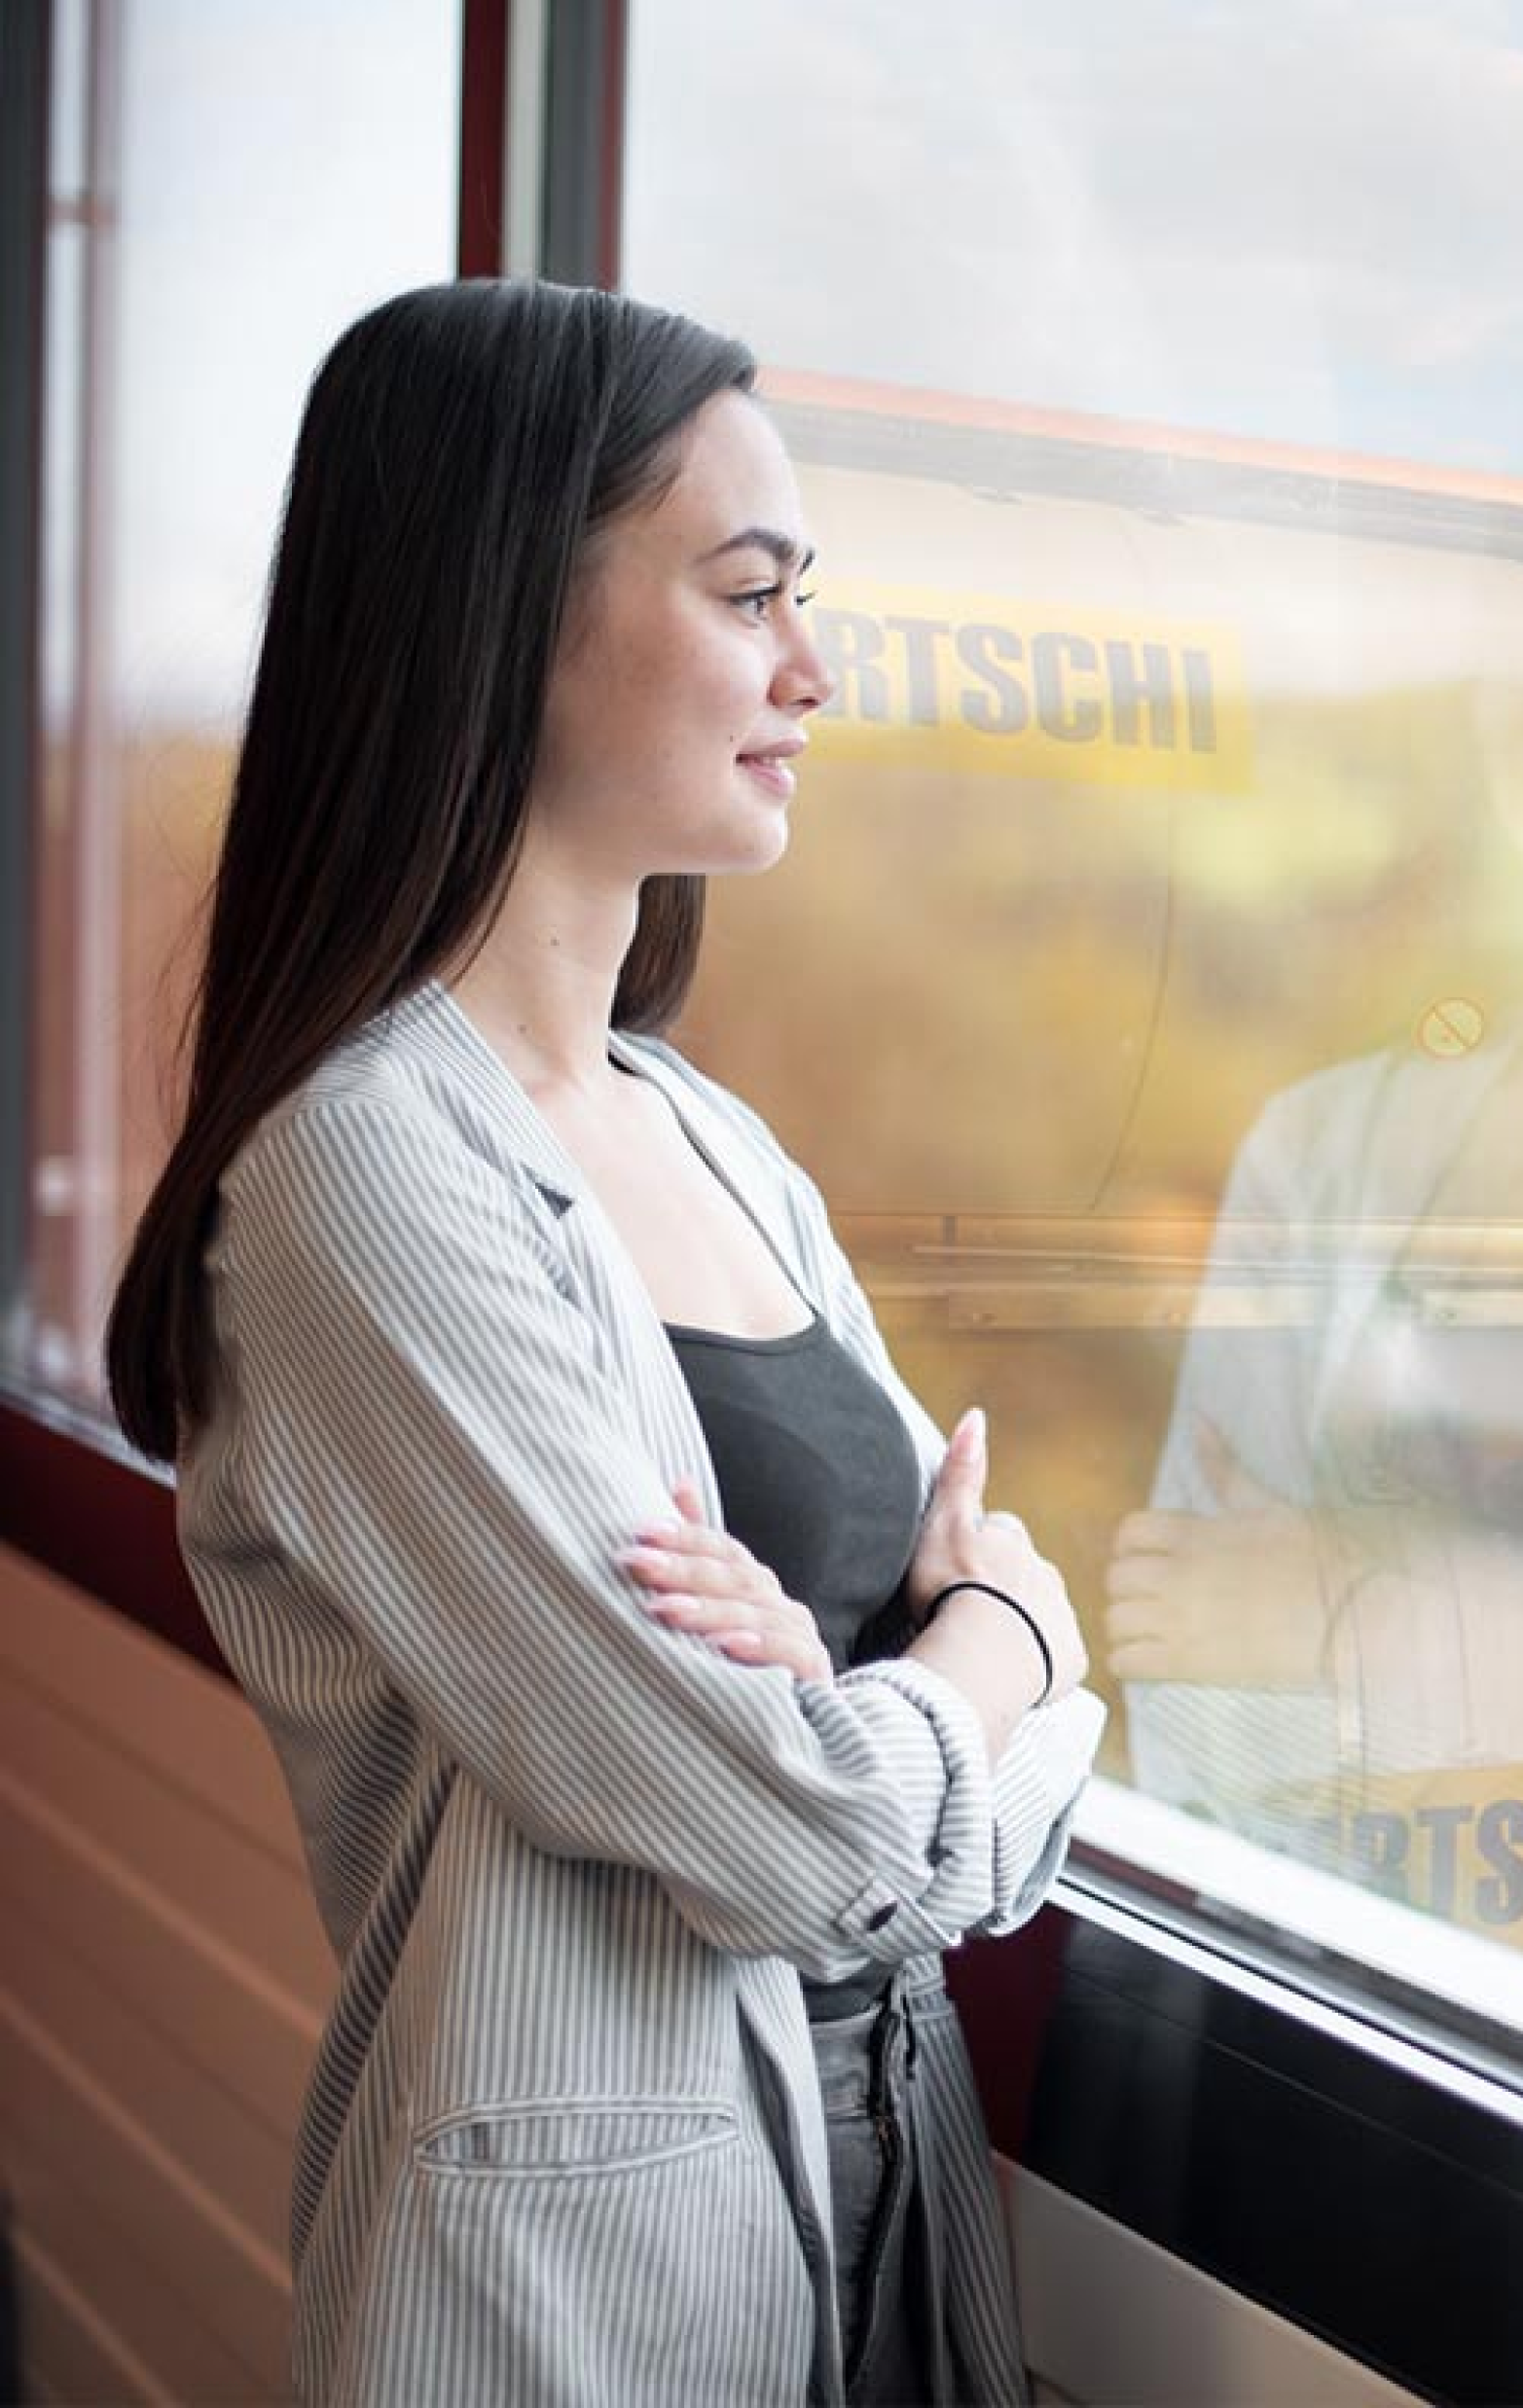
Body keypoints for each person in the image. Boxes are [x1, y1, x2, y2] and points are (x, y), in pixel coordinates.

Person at [107, 278, 1101, 2405]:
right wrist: (976, 1657)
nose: (813, 669)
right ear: (502, 614)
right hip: (587, 2290)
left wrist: (882, 1713)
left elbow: (988, 1813)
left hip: (892, 2201)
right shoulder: (364, 1175)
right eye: (751, 595)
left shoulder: (711, 1136)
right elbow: (821, 1828)